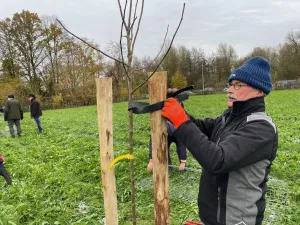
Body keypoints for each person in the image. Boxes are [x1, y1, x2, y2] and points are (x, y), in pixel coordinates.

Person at [161, 56, 278, 225]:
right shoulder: (228, 119)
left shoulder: (261, 129)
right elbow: (199, 127)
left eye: (238, 85)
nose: (230, 89)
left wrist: (181, 121)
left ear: (259, 91)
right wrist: (178, 111)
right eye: (230, 84)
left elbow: (217, 160)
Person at [147, 87, 187, 171]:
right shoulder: (159, 117)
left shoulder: (180, 120)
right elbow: (153, 140)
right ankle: (168, 166)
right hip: (165, 132)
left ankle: (183, 165)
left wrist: (183, 162)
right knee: (166, 161)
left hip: (177, 130)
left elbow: (181, 144)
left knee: (181, 148)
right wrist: (151, 160)